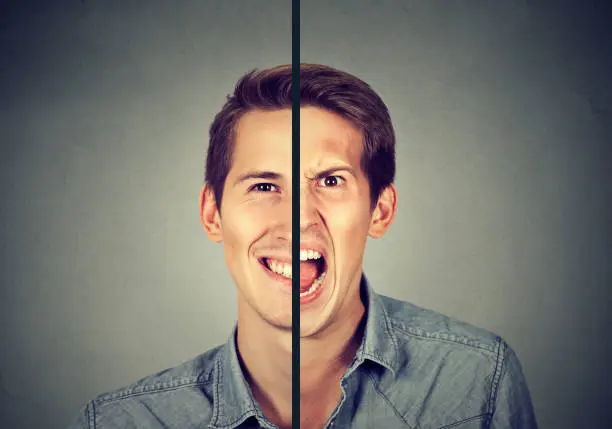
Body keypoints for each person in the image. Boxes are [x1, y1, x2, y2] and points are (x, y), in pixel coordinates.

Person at [68, 64, 538, 429]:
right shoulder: (120, 421)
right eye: (263, 186)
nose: (297, 221)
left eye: (330, 180)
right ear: (212, 213)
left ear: (381, 210)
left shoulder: (477, 379)